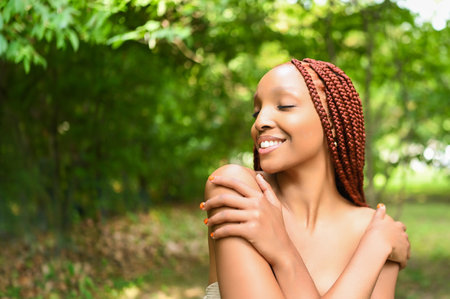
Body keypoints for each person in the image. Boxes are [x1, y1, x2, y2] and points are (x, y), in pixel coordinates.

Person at [200, 58, 410, 299]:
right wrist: (372, 252)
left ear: (331, 121)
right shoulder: (237, 189)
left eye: (285, 105)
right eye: (256, 112)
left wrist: (282, 253)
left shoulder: (377, 229)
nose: (260, 122)